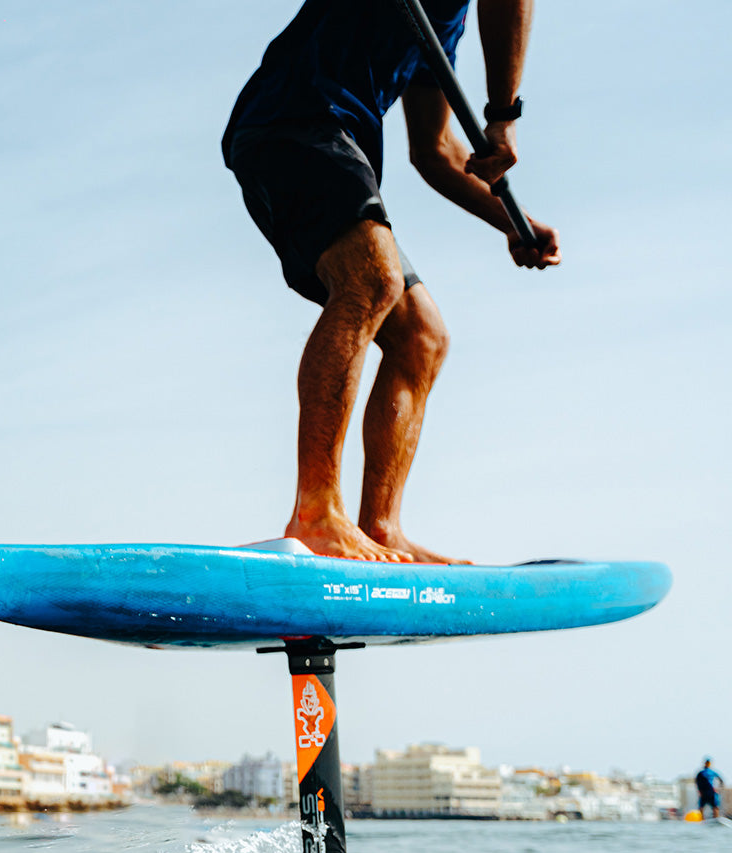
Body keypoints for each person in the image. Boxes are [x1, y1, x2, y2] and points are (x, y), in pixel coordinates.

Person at [223, 0, 561, 563]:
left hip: (335, 142)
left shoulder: (442, 21)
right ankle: (315, 513)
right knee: (371, 282)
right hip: (291, 121)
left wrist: (511, 223)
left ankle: (380, 527)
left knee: (421, 338)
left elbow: (435, 150)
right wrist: (503, 116)